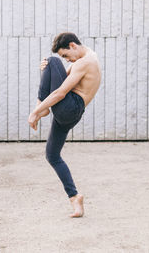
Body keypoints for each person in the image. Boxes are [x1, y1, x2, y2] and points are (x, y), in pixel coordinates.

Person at [28, 32, 102, 218]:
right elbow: (60, 79)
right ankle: (75, 198)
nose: (67, 60)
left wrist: (37, 111)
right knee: (52, 155)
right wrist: (47, 70)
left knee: (52, 61)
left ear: (72, 45)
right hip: (71, 112)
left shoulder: (86, 62)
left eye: (66, 55)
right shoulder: (83, 59)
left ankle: (40, 106)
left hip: (70, 106)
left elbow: (60, 93)